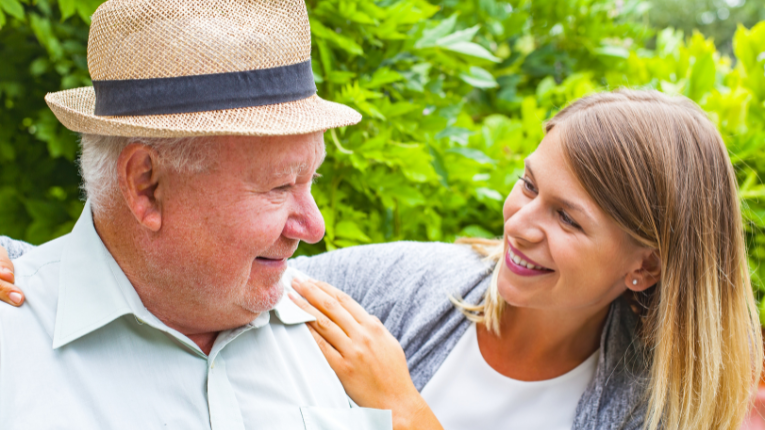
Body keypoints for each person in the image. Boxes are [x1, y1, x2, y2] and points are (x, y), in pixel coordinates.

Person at [0, 90, 760, 428]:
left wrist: (406, 414)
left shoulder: (658, 408)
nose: (521, 225)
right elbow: (196, 272)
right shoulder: (411, 288)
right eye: (528, 185)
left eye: (566, 217)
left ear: (646, 267)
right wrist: (28, 266)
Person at [0, 0, 399, 428]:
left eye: (311, 180)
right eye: (279, 186)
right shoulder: (13, 349)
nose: (314, 227)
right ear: (146, 186)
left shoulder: (351, 349)